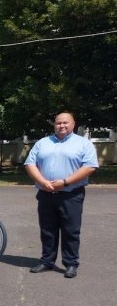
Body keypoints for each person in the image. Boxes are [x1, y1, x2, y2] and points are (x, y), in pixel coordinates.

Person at [24, 111, 99, 278]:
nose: (62, 126)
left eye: (66, 123)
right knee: (47, 230)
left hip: (71, 194)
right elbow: (30, 164)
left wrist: (65, 182)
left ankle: (71, 263)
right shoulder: (42, 143)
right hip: (45, 193)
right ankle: (47, 261)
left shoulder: (83, 144)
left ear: (73, 124)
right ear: (54, 124)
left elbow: (89, 167)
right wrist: (43, 182)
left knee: (71, 231)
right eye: (58, 123)